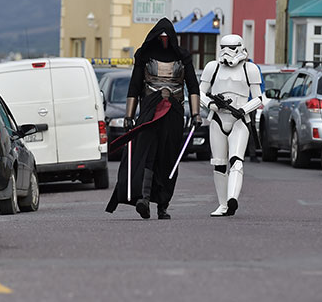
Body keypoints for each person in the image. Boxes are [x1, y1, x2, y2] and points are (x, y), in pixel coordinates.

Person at [105, 17, 200, 219]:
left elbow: (193, 86)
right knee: (147, 154)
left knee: (168, 159)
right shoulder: (145, 56)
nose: (164, 40)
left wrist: (196, 113)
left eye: (167, 37)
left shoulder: (183, 56)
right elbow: (134, 85)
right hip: (150, 112)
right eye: (161, 37)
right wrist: (129, 115)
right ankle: (144, 199)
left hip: (173, 114)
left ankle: (162, 205)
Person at [199, 35, 265, 217]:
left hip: (239, 120)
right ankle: (222, 204)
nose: (227, 51)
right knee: (219, 163)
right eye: (224, 47)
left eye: (232, 47)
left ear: (240, 47)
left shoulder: (249, 69)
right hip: (218, 119)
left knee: (236, 161)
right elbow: (200, 92)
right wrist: (212, 105)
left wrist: (243, 110)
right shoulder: (213, 67)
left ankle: (232, 199)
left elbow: (259, 98)